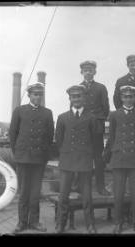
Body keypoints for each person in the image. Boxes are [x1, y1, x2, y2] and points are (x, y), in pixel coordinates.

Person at [9, 82, 54, 233]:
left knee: (35, 193)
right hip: (23, 157)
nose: (38, 97)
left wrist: (44, 156)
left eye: (40, 94)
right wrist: (18, 153)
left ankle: (34, 221)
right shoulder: (19, 111)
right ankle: (21, 222)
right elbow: (13, 134)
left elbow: (49, 136)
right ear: (29, 95)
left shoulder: (47, 113)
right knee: (23, 193)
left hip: (39, 159)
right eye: (35, 94)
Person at [103, 85, 135, 234]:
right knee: (119, 193)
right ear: (121, 98)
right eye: (126, 97)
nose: (129, 99)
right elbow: (112, 137)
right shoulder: (114, 115)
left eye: (131, 97)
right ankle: (118, 222)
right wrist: (108, 155)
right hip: (119, 158)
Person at [55, 85, 97, 234]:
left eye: (79, 96)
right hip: (67, 161)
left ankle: (90, 224)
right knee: (63, 196)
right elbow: (58, 141)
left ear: (84, 98)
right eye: (74, 97)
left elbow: (95, 141)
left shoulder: (91, 117)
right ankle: (61, 224)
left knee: (87, 196)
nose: (77, 99)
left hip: (84, 161)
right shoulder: (62, 117)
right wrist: (67, 153)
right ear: (70, 99)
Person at [79, 60, 110, 196]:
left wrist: (98, 120)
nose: (88, 73)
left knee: (98, 158)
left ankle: (101, 187)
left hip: (97, 127)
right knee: (84, 156)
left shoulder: (101, 88)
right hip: (83, 128)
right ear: (82, 72)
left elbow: (106, 108)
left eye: (90, 70)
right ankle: (82, 187)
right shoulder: (78, 88)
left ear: (94, 72)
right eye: (86, 70)